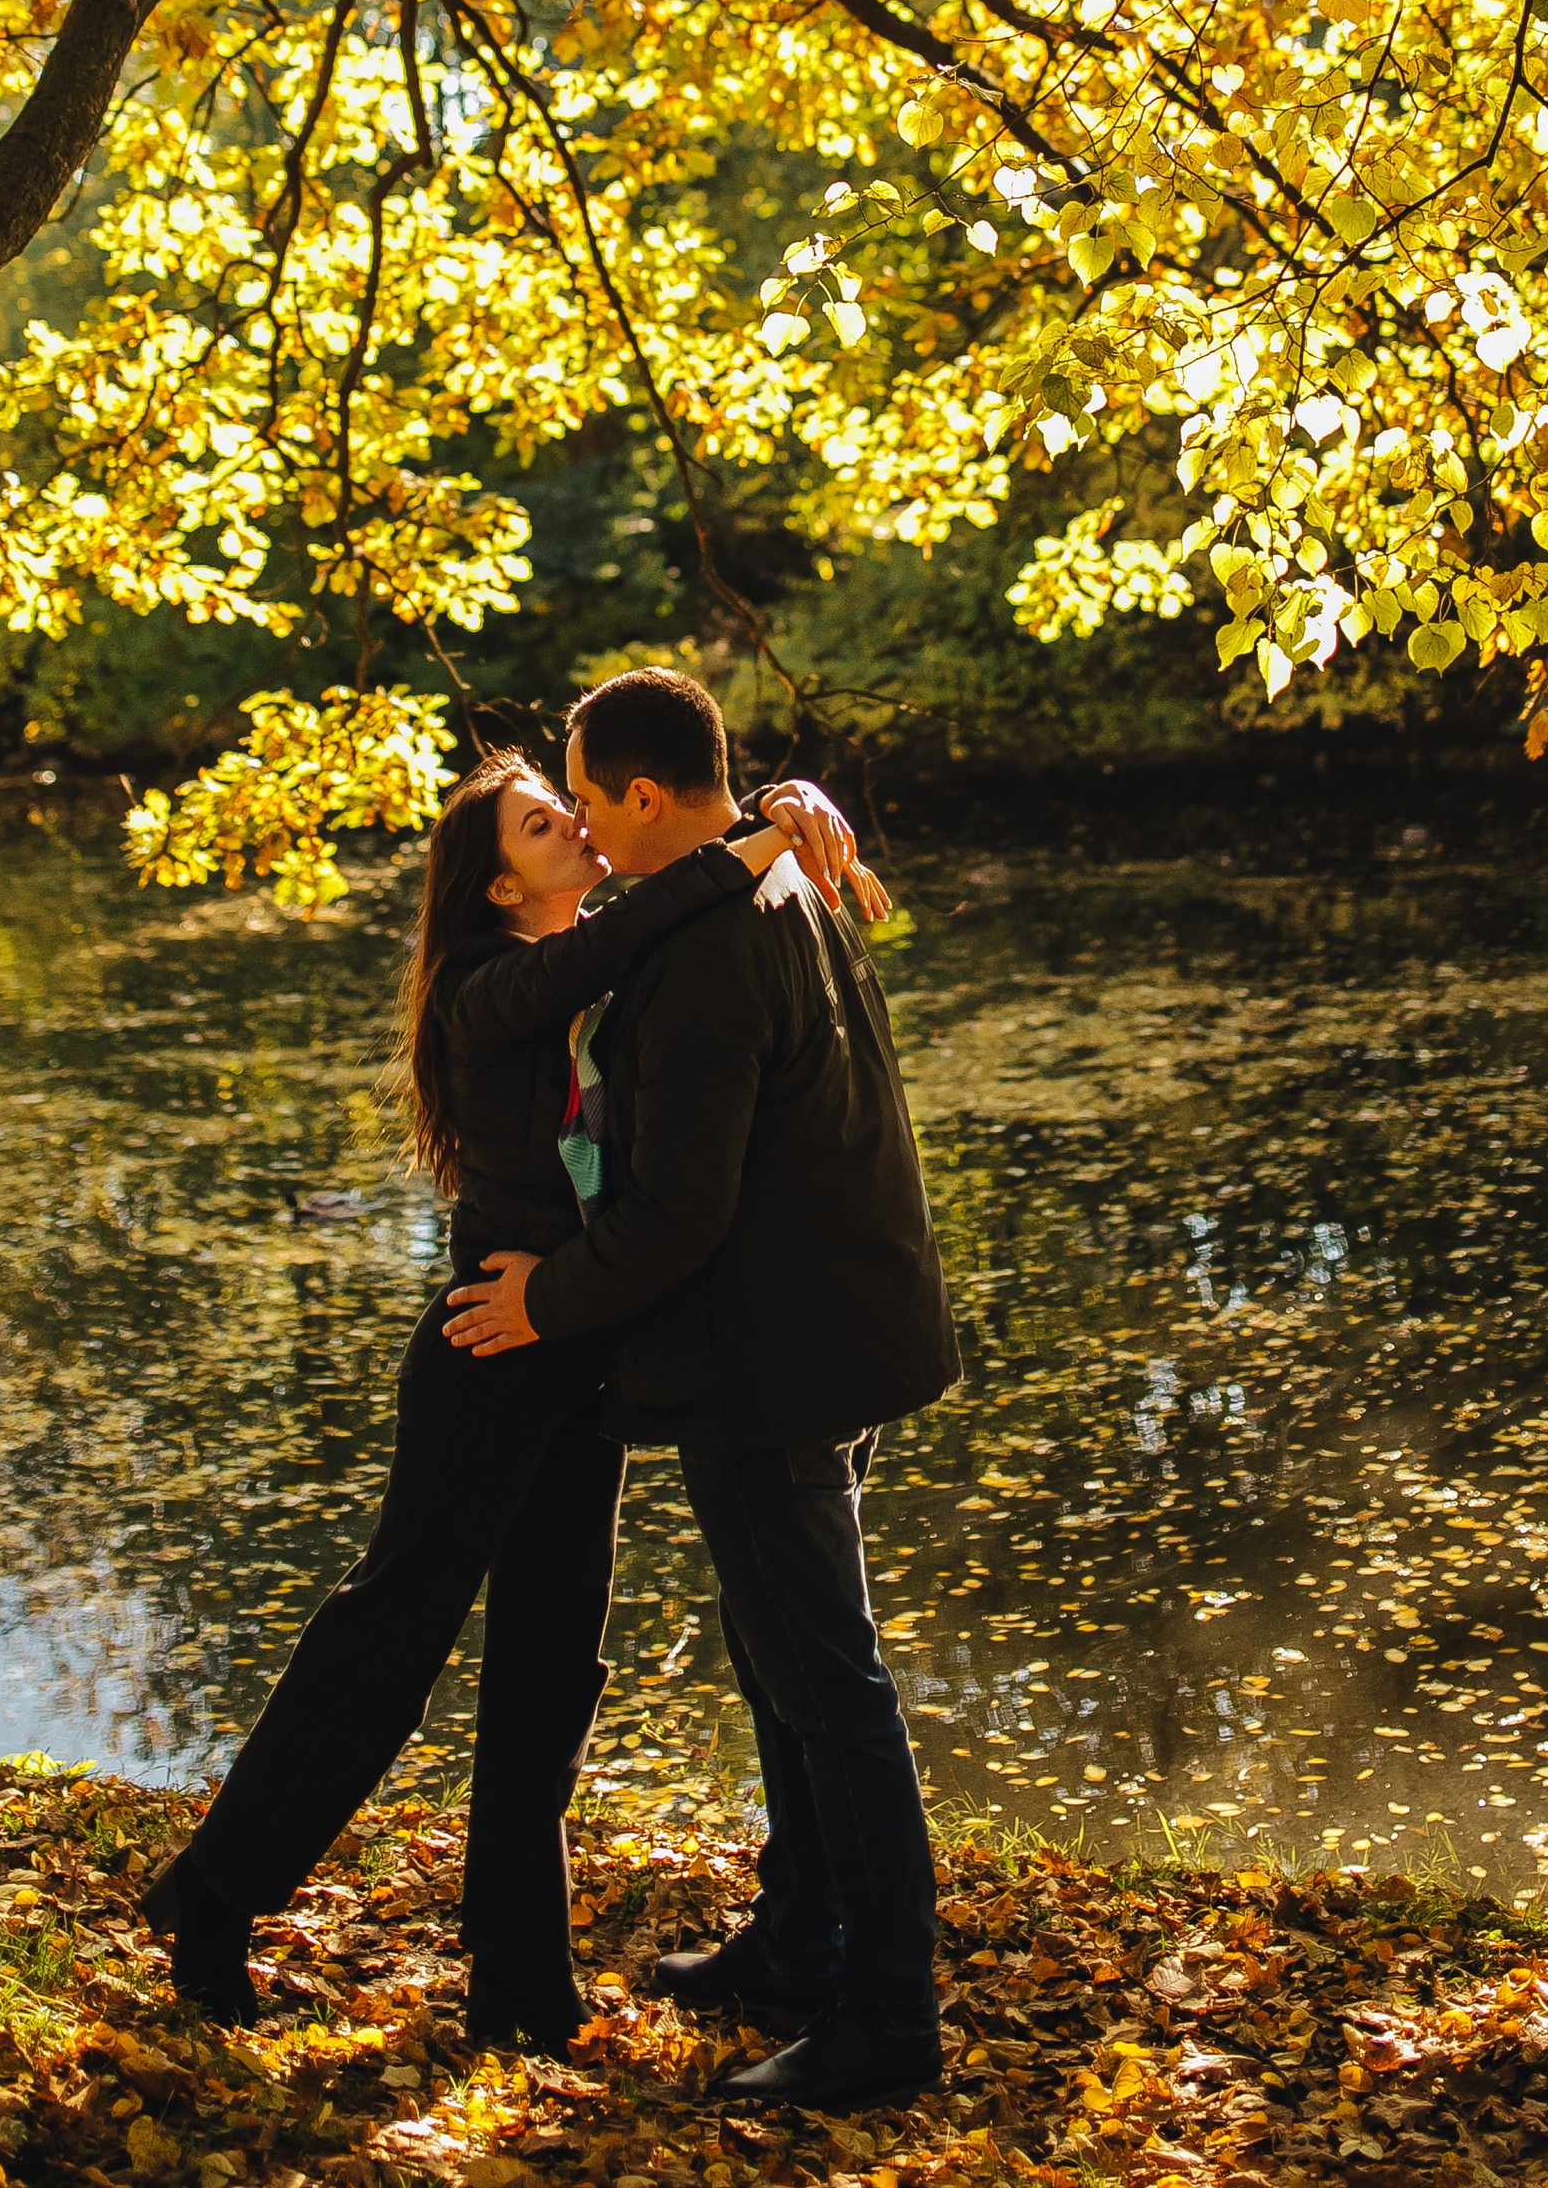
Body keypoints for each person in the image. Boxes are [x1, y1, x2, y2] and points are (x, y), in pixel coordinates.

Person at [141, 742, 857, 2045]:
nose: (579, 827)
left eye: (571, 807)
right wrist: (744, 848)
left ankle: (519, 1982)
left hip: (578, 1352)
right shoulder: (491, 987)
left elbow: (648, 933)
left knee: (550, 1664)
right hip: (487, 1350)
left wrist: (782, 808)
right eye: (543, 824)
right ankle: (212, 1891)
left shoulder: (602, 957)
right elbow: (625, 931)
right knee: (390, 1641)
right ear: (492, 885)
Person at [446, 668, 960, 2116]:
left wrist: (541, 1297)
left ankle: (888, 2016)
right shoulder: (776, 871)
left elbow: (675, 1213)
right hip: (822, 1330)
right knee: (784, 1661)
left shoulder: (715, 944)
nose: (592, 837)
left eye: (596, 803)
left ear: (654, 798)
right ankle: (801, 1940)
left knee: (828, 1681)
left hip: (777, 1354)